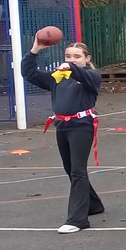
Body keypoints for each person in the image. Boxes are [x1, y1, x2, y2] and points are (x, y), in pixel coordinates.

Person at [21, 40, 104, 234]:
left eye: (77, 56)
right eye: (68, 56)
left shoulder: (91, 75)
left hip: (82, 127)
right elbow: (29, 73)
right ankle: (93, 204)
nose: (72, 59)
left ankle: (78, 219)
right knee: (70, 169)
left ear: (87, 58)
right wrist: (35, 50)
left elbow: (82, 75)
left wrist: (71, 68)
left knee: (77, 170)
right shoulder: (57, 77)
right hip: (62, 126)